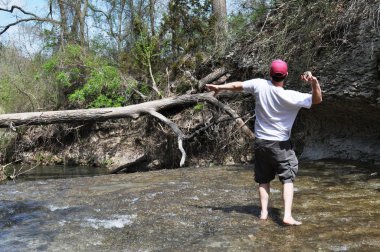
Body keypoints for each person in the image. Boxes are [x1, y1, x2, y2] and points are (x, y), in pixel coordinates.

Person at [206, 59, 322, 226]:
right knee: (287, 179)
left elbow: (238, 86)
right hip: (281, 145)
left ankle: (264, 212)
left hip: (261, 143)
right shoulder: (292, 97)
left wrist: (219, 87)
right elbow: (317, 100)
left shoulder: (259, 85)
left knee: (263, 179)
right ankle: (287, 215)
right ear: (286, 75)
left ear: (270, 74)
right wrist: (314, 82)